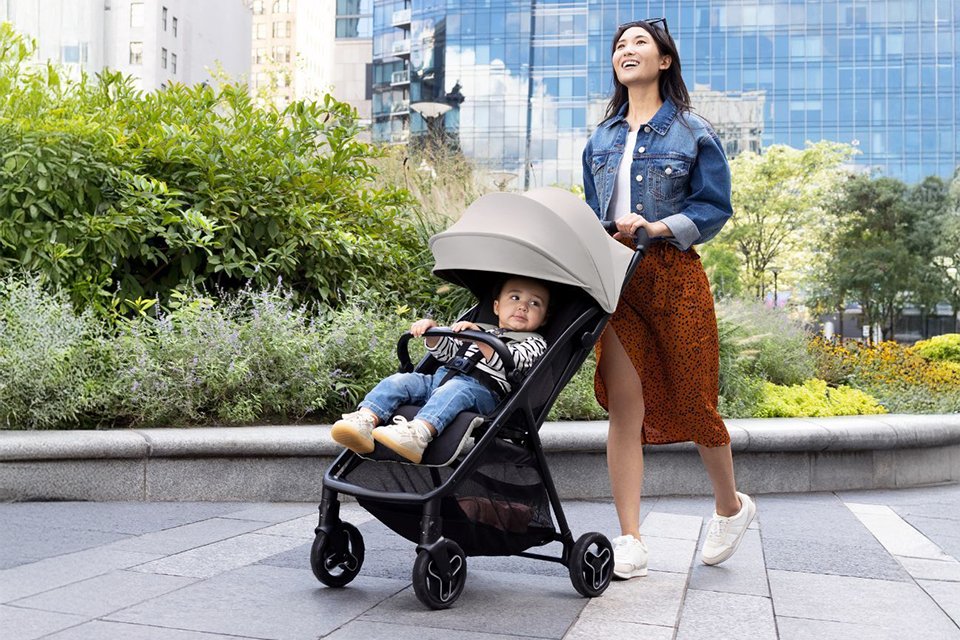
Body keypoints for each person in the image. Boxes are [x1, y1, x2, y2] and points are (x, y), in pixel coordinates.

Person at [581, 18, 756, 579]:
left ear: (664, 62)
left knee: (695, 395)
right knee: (626, 408)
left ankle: (730, 506)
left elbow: (713, 207)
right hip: (618, 281)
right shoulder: (601, 138)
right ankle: (630, 537)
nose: (625, 51)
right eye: (619, 46)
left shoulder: (692, 132)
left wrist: (656, 227)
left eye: (639, 44)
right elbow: (591, 212)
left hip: (672, 275)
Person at [330, 276, 550, 464]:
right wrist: (433, 332)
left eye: (535, 303)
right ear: (496, 306)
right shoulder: (480, 329)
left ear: (544, 319)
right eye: (515, 297)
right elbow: (447, 354)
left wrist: (483, 339)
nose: (523, 306)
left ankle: (418, 435)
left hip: (482, 393)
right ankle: (365, 421)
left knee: (456, 389)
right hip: (439, 379)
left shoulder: (534, 342)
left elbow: (514, 363)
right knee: (400, 381)